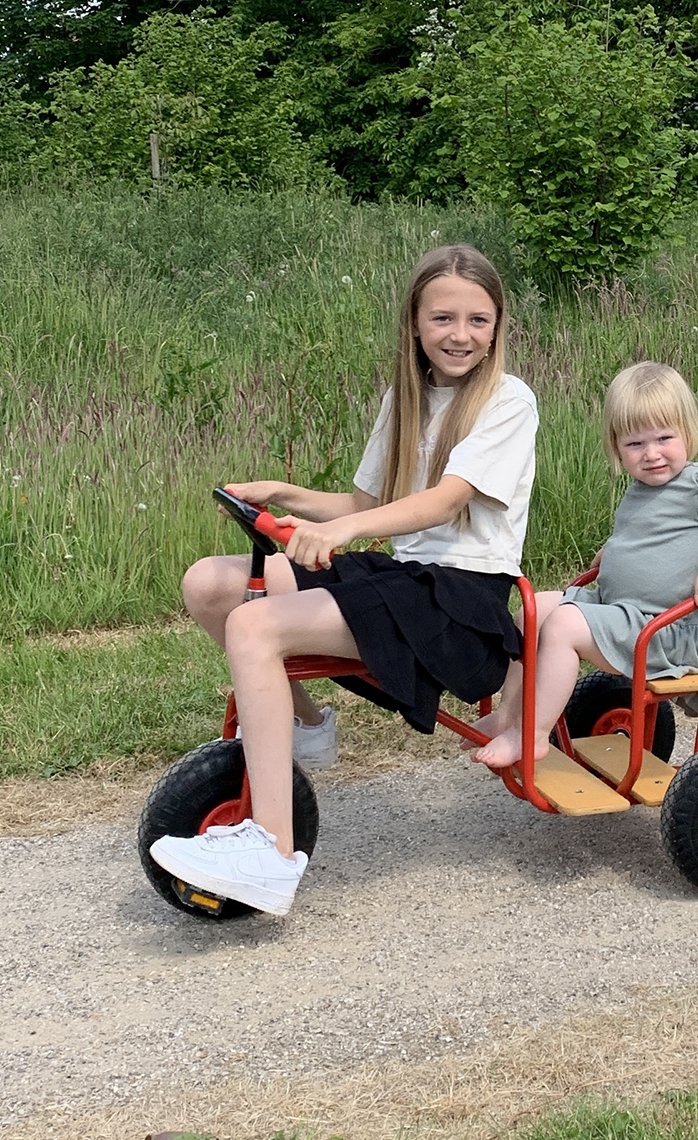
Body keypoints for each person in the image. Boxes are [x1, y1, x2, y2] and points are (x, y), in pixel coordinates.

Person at [150, 245, 538, 915]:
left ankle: (269, 851)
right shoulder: (409, 396)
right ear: (414, 322)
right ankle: (303, 730)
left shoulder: (508, 400)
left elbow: (443, 502)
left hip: (459, 602)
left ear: (498, 325)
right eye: (442, 317)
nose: (460, 335)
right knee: (212, 585)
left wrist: (344, 536)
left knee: (254, 623)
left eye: (478, 320)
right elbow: (365, 504)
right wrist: (287, 495)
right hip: (403, 578)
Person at [471, 361, 698, 770]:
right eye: (635, 444)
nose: (651, 454)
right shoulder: (642, 488)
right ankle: (509, 715)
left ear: (689, 433)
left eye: (665, 438)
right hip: (619, 608)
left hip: (662, 629)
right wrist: (613, 551)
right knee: (532, 612)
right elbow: (650, 535)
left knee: (562, 627)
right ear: (617, 446)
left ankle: (532, 736)